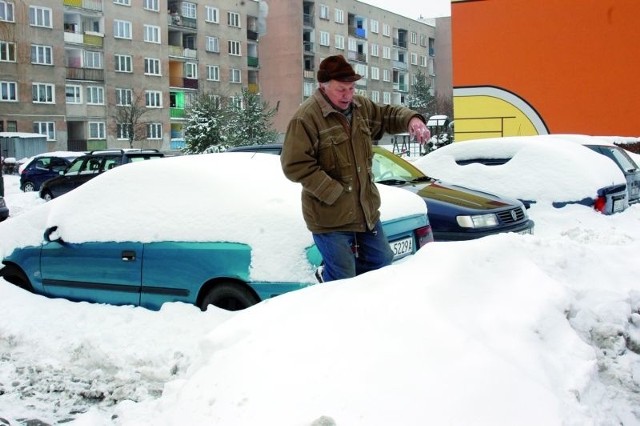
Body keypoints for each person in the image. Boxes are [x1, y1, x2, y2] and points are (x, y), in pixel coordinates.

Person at [281, 54, 431, 282]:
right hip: (330, 217)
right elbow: (294, 164)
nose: (348, 95)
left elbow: (387, 115)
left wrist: (412, 120)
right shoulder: (307, 118)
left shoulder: (360, 108)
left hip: (365, 211)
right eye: (341, 89)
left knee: (381, 263)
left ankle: (366, 312)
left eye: (351, 88)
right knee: (343, 278)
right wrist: (332, 192)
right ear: (323, 86)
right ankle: (334, 299)